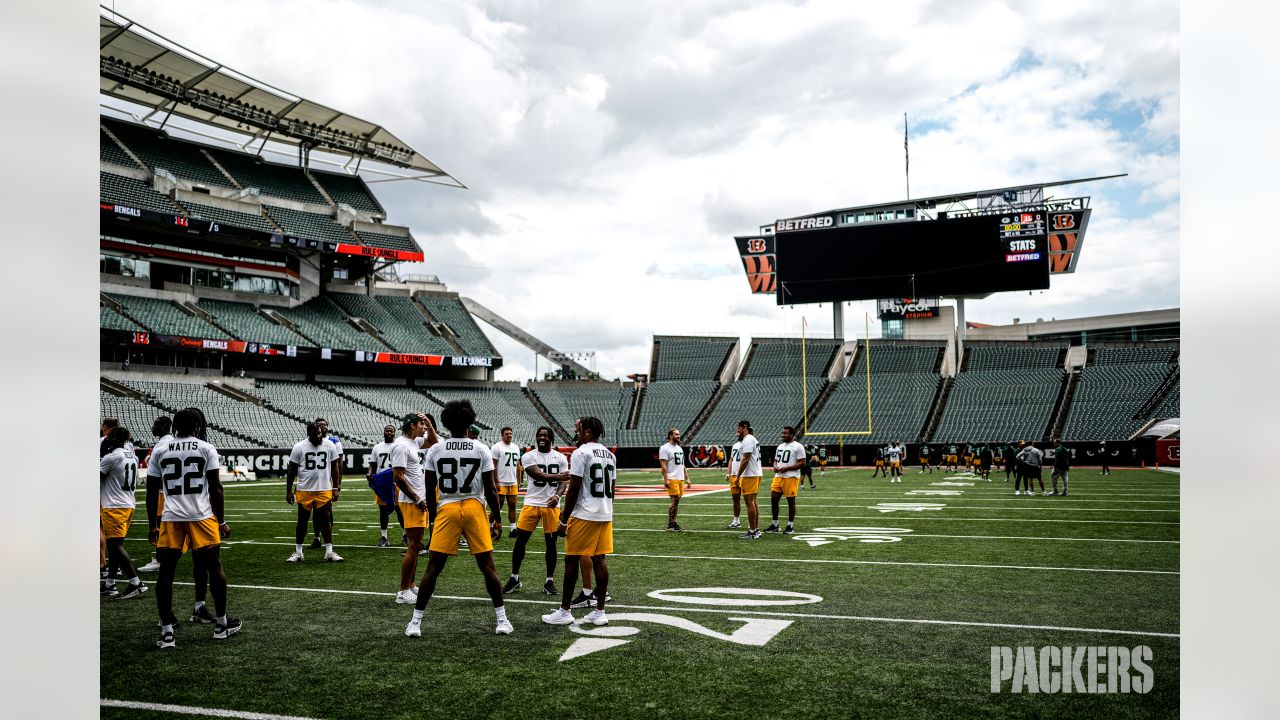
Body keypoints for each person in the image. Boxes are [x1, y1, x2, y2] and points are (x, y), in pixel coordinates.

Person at [405, 400, 510, 638]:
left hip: (448, 507)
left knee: (433, 568)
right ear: (469, 421)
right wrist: (497, 518)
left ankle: (415, 623)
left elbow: (430, 488)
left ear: (446, 423)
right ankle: (502, 620)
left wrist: (433, 520)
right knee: (488, 566)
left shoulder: (436, 450)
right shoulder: (480, 448)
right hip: (474, 506)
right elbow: (491, 489)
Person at [146, 408, 240, 648]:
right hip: (201, 516)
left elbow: (151, 491)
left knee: (166, 573)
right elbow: (216, 488)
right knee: (215, 567)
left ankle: (167, 632)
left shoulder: (160, 450)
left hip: (171, 517)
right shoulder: (206, 448)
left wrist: (152, 525)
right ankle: (221, 624)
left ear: (174, 427)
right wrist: (221, 521)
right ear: (197, 426)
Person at [542, 416, 615, 627]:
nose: (577, 433)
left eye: (579, 429)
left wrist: (563, 520)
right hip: (604, 512)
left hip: (584, 514)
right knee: (599, 559)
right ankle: (600, 611)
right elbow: (612, 488)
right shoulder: (610, 455)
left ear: (588, 432)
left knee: (572, 560)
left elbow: (573, 489)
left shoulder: (580, 453)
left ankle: (564, 611)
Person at [503, 426, 567, 595]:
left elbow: (563, 484)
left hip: (551, 505)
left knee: (551, 544)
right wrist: (560, 476)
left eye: (545, 435)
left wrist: (558, 496)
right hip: (531, 503)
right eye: (539, 435)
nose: (541, 437)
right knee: (520, 542)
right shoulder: (528, 456)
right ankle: (514, 577)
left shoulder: (560, 457)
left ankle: (549, 581)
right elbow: (538, 475)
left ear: (551, 438)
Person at [285, 423, 343, 563]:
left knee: (326, 519)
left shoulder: (329, 444)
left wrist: (335, 488)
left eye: (319, 433)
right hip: (304, 489)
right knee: (302, 521)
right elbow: (292, 469)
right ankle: (298, 552)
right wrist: (288, 491)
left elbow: (335, 466)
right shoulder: (299, 446)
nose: (318, 436)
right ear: (309, 433)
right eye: (315, 434)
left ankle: (329, 551)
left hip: (324, 488)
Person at [100, 426, 146, 599]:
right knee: (114, 546)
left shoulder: (111, 457)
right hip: (128, 503)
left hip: (114, 506)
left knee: (115, 546)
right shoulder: (131, 456)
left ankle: (135, 582)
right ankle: (110, 583)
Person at [391, 413, 430, 603]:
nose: (424, 428)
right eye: (422, 424)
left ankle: (411, 585)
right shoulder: (401, 445)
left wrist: (430, 424)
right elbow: (398, 476)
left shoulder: (413, 442)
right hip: (411, 501)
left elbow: (434, 441)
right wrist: (416, 498)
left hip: (416, 499)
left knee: (417, 544)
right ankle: (403, 591)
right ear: (412, 426)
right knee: (414, 545)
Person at [135, 416, 172, 575]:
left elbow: (153, 480)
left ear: (164, 426)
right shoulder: (173, 442)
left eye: (156, 424)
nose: (153, 427)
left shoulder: (160, 446)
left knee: (159, 526)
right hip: (172, 492)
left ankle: (159, 559)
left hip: (161, 492)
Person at [309, 418, 344, 550]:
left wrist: (338, 483)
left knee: (327, 511)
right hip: (313, 481)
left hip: (328, 480)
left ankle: (327, 538)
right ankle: (317, 537)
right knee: (314, 509)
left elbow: (339, 463)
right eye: (320, 425)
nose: (322, 426)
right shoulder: (311, 441)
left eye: (324, 424)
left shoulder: (334, 441)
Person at [368, 424, 405, 547]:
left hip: (396, 481)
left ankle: (405, 534)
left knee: (400, 510)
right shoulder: (377, 447)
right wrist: (369, 474)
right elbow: (373, 464)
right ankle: (384, 536)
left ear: (394, 433)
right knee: (383, 511)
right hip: (383, 483)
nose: (388, 433)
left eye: (391, 431)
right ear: (383, 432)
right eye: (387, 431)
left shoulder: (399, 446)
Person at [764, 426, 805, 534]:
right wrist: (775, 466)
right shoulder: (780, 446)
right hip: (778, 476)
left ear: (792, 434)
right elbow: (775, 460)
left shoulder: (798, 446)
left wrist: (787, 468)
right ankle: (775, 525)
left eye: (785, 433)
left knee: (791, 502)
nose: (783, 435)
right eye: (783, 433)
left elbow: (802, 463)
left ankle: (790, 526)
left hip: (791, 477)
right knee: (774, 499)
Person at [730, 421, 763, 539]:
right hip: (754, 473)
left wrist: (738, 475)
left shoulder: (748, 439)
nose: (737, 430)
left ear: (745, 428)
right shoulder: (751, 439)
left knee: (750, 503)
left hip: (750, 475)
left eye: (738, 428)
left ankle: (753, 531)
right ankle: (755, 529)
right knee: (753, 502)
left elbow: (745, 458)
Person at [491, 427, 522, 537]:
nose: (509, 435)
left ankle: (513, 529)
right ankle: (490, 526)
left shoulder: (515, 447)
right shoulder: (496, 447)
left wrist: (519, 481)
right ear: (502, 435)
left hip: (512, 481)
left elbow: (518, 465)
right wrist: (496, 481)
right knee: (497, 506)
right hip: (501, 482)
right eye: (507, 434)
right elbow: (493, 465)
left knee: (512, 506)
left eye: (510, 433)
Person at [659, 428, 687, 531]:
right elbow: (663, 466)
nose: (679, 436)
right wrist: (666, 480)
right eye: (676, 434)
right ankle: (670, 524)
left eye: (679, 434)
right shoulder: (664, 448)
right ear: (671, 436)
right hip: (672, 478)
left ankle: (674, 523)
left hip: (680, 478)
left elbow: (682, 464)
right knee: (674, 500)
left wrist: (687, 478)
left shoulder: (679, 448)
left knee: (677, 500)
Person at [725, 436, 744, 529]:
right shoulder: (735, 445)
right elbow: (731, 459)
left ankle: (752, 524)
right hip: (734, 475)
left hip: (745, 475)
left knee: (750, 500)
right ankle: (736, 521)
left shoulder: (748, 444)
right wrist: (728, 472)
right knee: (735, 499)